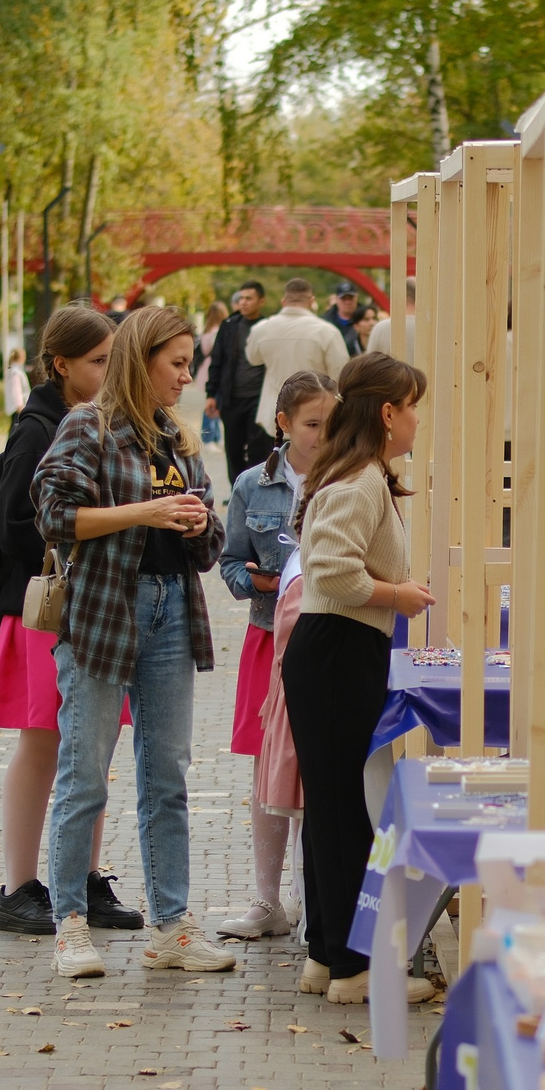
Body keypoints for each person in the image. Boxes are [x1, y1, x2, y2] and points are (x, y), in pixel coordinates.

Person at [32, 304, 232, 977]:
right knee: (84, 773)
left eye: (189, 364)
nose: (185, 376)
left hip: (173, 608)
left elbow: (210, 549)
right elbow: (54, 514)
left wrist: (200, 520)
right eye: (176, 363)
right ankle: (69, 922)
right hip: (101, 614)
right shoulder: (88, 425)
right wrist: (143, 512)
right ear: (140, 359)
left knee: (166, 773)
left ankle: (171, 925)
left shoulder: (175, 436)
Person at [0, 305, 143, 939]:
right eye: (98, 362)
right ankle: (19, 885)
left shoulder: (104, 420)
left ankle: (81, 877)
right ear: (61, 365)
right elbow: (13, 527)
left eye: (113, 360)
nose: (108, 372)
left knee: (94, 741)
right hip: (50, 608)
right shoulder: (38, 428)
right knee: (45, 741)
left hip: (91, 602)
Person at [283, 351, 437, 1006]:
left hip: (336, 649)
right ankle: (352, 967)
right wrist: (396, 594)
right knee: (348, 804)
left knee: (332, 802)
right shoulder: (361, 479)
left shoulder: (358, 473)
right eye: (413, 407)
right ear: (387, 412)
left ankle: (326, 953)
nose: (417, 422)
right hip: (339, 649)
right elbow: (332, 571)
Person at [215, 368, 339, 940]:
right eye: (312, 423)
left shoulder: (352, 480)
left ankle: (311, 896)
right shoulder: (250, 486)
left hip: (325, 634)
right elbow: (231, 563)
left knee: (315, 765)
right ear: (284, 423)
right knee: (268, 767)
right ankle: (268, 902)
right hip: (270, 637)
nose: (322, 434)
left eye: (332, 423)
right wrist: (260, 582)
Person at [245, 278, 353, 440]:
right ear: (311, 301)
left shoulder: (261, 330)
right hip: (317, 418)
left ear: (283, 301)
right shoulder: (327, 332)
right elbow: (341, 376)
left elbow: (253, 359)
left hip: (273, 416)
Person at [202, 281, 267, 488]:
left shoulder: (267, 327)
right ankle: (238, 489)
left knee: (259, 449)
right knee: (233, 449)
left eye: (249, 298)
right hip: (231, 397)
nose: (244, 302)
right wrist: (211, 394)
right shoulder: (229, 326)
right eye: (241, 298)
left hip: (259, 398)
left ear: (261, 301)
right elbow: (217, 360)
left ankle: (257, 490)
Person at [325, 283, 364, 356]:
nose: (348, 302)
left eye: (350, 298)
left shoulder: (366, 317)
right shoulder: (325, 321)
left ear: (356, 297)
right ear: (336, 299)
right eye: (343, 298)